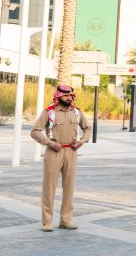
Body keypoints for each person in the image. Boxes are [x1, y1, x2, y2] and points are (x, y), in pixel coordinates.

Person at [30, 85, 92, 231]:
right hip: (53, 153)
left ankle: (66, 220)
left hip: (71, 151)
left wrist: (81, 142)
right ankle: (47, 222)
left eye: (71, 96)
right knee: (49, 188)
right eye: (66, 96)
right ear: (58, 97)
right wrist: (50, 143)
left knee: (69, 188)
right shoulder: (49, 112)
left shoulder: (76, 112)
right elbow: (34, 132)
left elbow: (88, 128)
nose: (69, 98)